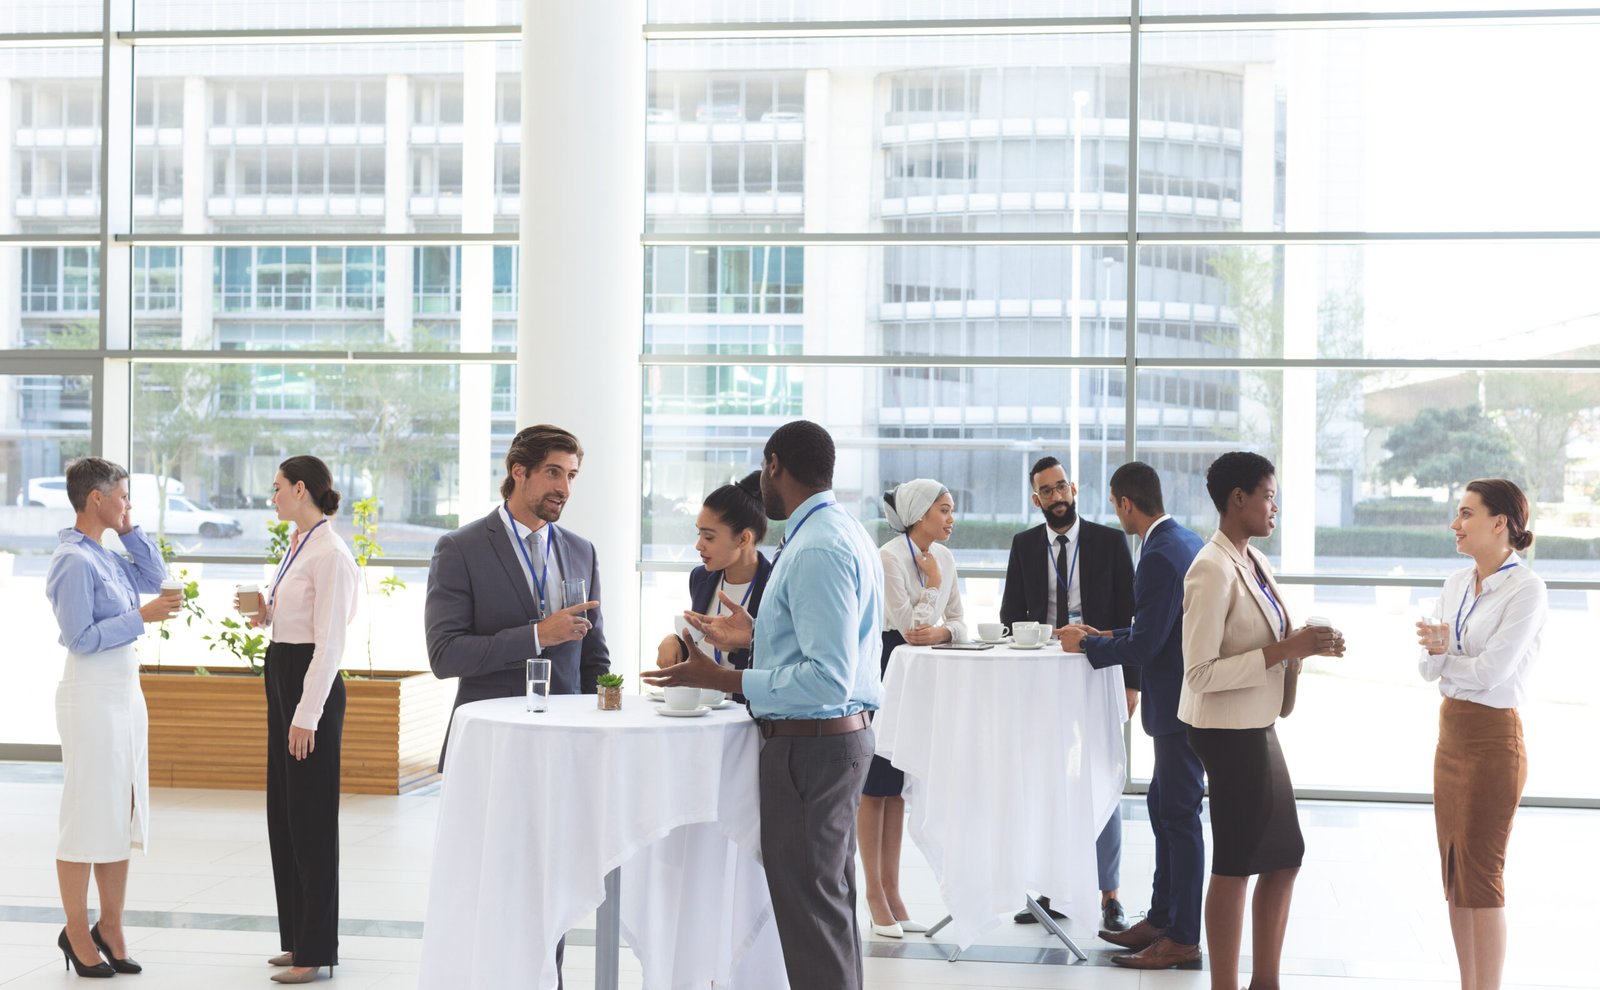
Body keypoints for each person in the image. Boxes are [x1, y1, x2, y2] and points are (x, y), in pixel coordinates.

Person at [643, 420, 883, 990]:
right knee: (826, 910)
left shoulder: (818, 546)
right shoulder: (835, 530)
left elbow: (826, 679)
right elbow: (822, 645)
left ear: (775, 464)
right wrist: (752, 637)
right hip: (828, 744)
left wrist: (722, 680)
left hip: (811, 750)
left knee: (811, 918)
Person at [423, 423, 607, 988]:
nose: (565, 488)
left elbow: (595, 655)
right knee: (491, 890)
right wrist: (536, 635)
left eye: (572, 476)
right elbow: (445, 653)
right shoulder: (460, 549)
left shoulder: (580, 549)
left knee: (552, 889)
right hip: (492, 752)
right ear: (518, 471)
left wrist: (610, 713)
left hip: (563, 753)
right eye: (554, 472)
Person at [1179, 451, 1345, 990]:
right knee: (1236, 861)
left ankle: (1264, 982)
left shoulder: (1253, 560)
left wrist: (1306, 647)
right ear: (1239, 499)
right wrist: (1287, 650)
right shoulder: (1210, 568)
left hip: (1256, 724)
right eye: (1269, 496)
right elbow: (1200, 673)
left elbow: (1271, 641)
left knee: (1284, 856)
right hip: (1226, 732)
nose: (1276, 507)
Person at [1058, 461, 1206, 969]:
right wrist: (1101, 638)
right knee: (1166, 808)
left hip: (1178, 707)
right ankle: (1163, 919)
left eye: (1114, 505)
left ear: (1125, 503)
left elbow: (1147, 643)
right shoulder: (1182, 540)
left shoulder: (1160, 554)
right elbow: (1155, 632)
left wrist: (1090, 647)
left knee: (1180, 817)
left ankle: (1183, 935)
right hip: (1182, 702)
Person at [45, 457, 180, 978]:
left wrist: (131, 529)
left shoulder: (105, 553)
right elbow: (80, 639)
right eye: (123, 497)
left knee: (121, 809)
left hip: (125, 692)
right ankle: (77, 931)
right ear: (96, 498)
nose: (128, 505)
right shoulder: (72, 561)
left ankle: (112, 925)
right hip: (91, 696)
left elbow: (156, 576)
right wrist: (139, 619)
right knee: (86, 814)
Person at [1416, 479, 1544, 990]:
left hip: (1494, 741)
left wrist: (1448, 657)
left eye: (1466, 514)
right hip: (1451, 735)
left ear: (1500, 524)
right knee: (1455, 877)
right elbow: (1429, 671)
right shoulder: (1454, 583)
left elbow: (1493, 673)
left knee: (1483, 878)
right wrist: (1445, 657)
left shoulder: (1525, 589)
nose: (1455, 524)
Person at [1000, 455, 1136, 930]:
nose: (1057, 498)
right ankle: (1050, 890)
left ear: (1073, 489)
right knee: (1046, 781)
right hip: (1044, 679)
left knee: (1102, 777)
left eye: (1062, 488)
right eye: (1047, 491)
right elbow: (1008, 616)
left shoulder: (1109, 541)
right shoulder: (1023, 545)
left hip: (1099, 672)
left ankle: (1109, 894)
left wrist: (1132, 682)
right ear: (1035, 499)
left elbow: (1131, 616)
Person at [237, 456, 359, 985]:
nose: (273, 497)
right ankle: (296, 939)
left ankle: (316, 950)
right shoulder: (300, 545)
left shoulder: (330, 553)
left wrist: (306, 715)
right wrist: (265, 612)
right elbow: (299, 622)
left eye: (278, 488)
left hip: (310, 683)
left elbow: (330, 643)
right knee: (284, 816)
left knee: (310, 820)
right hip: (284, 669)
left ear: (301, 488)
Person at [860, 479, 964, 939]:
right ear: (920, 514)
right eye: (943, 509)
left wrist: (943, 633)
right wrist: (933, 592)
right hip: (888, 669)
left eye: (952, 510)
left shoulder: (945, 557)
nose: (950, 518)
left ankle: (894, 891)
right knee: (874, 784)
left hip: (924, 675)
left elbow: (957, 620)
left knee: (898, 785)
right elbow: (907, 629)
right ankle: (873, 893)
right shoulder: (888, 558)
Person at [655, 471, 771, 681]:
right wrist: (673, 641)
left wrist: (745, 642)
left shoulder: (775, 587)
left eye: (709, 537)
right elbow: (702, 642)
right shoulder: (700, 578)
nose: (699, 545)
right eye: (699, 534)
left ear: (743, 539)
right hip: (704, 709)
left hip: (748, 709)